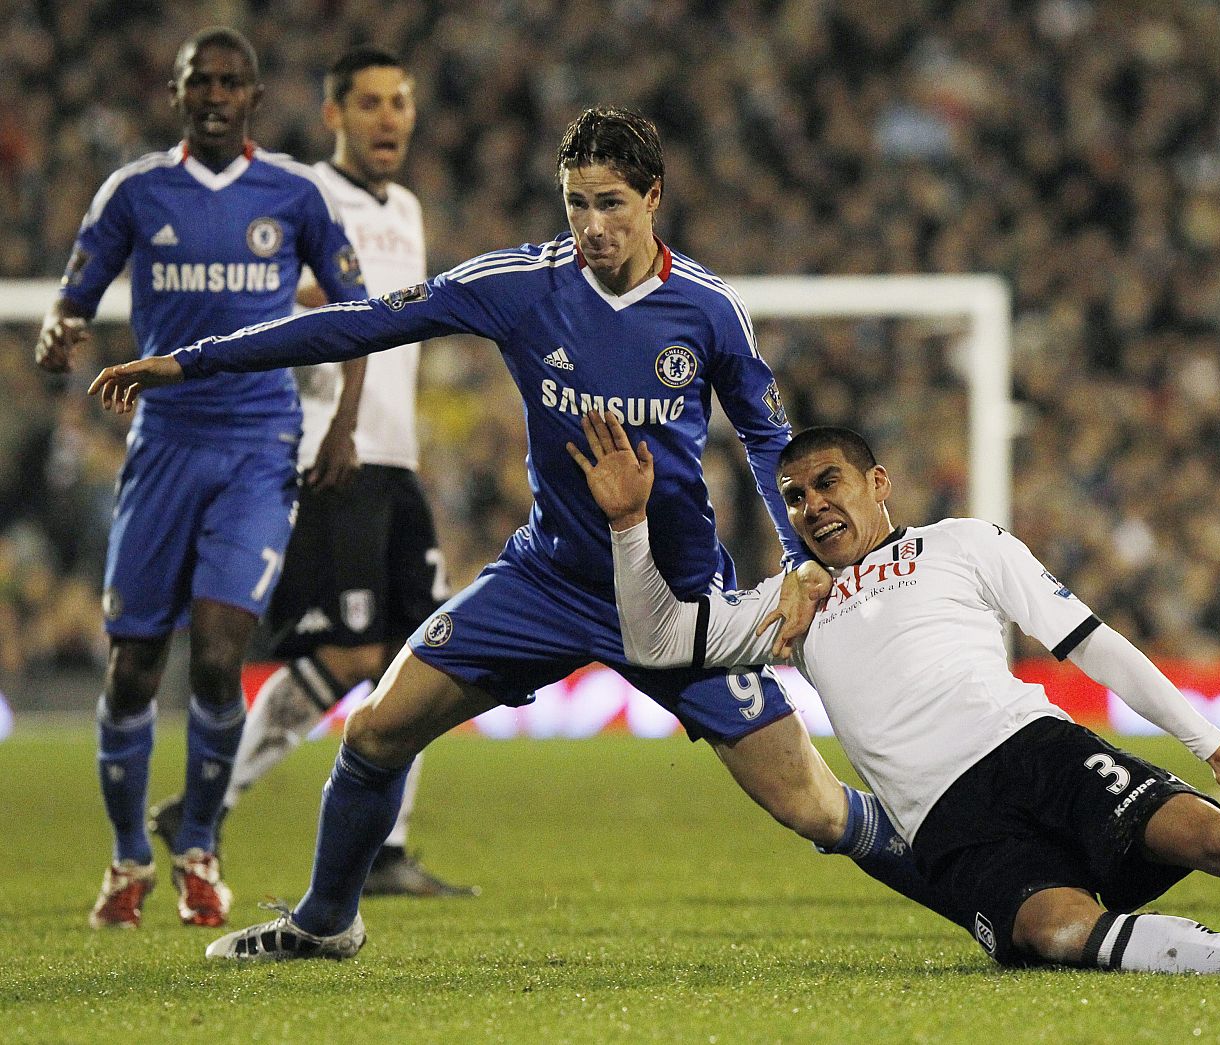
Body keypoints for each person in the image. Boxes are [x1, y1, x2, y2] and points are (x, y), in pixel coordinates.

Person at [90, 107, 954, 961]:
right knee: (374, 732)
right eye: (576, 203)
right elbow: (357, 321)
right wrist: (192, 359)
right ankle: (324, 922)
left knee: (813, 805)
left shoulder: (708, 310)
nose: (592, 226)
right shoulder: (518, 285)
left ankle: (985, 890)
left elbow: (770, 442)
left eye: (611, 203)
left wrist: (804, 563)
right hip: (548, 582)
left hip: (677, 599)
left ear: (654, 197)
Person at [577, 413, 1220, 973]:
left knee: (1210, 835)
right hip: (947, 822)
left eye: (826, 482)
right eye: (792, 498)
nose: (812, 506)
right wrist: (626, 526)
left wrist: (1212, 743)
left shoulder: (963, 542)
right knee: (1049, 933)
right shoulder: (791, 601)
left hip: (1034, 751)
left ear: (876, 483)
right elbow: (653, 639)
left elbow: (1089, 641)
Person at [37, 27, 369, 931]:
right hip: (164, 445)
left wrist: (341, 422)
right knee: (135, 662)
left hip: (261, 445)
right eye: (200, 82)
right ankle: (124, 859)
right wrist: (62, 328)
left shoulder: (293, 194)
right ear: (178, 94)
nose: (215, 95)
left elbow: (359, 316)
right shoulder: (135, 192)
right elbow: (77, 290)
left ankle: (198, 848)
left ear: (255, 96)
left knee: (222, 656)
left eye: (231, 82)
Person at [146, 45, 474, 899]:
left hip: (394, 456)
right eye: (368, 103)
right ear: (333, 115)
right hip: (327, 451)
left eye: (400, 102)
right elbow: (245, 301)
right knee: (351, 647)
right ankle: (206, 806)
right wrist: (308, 305)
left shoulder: (404, 205)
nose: (388, 118)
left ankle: (387, 849)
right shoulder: (297, 197)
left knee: (417, 651)